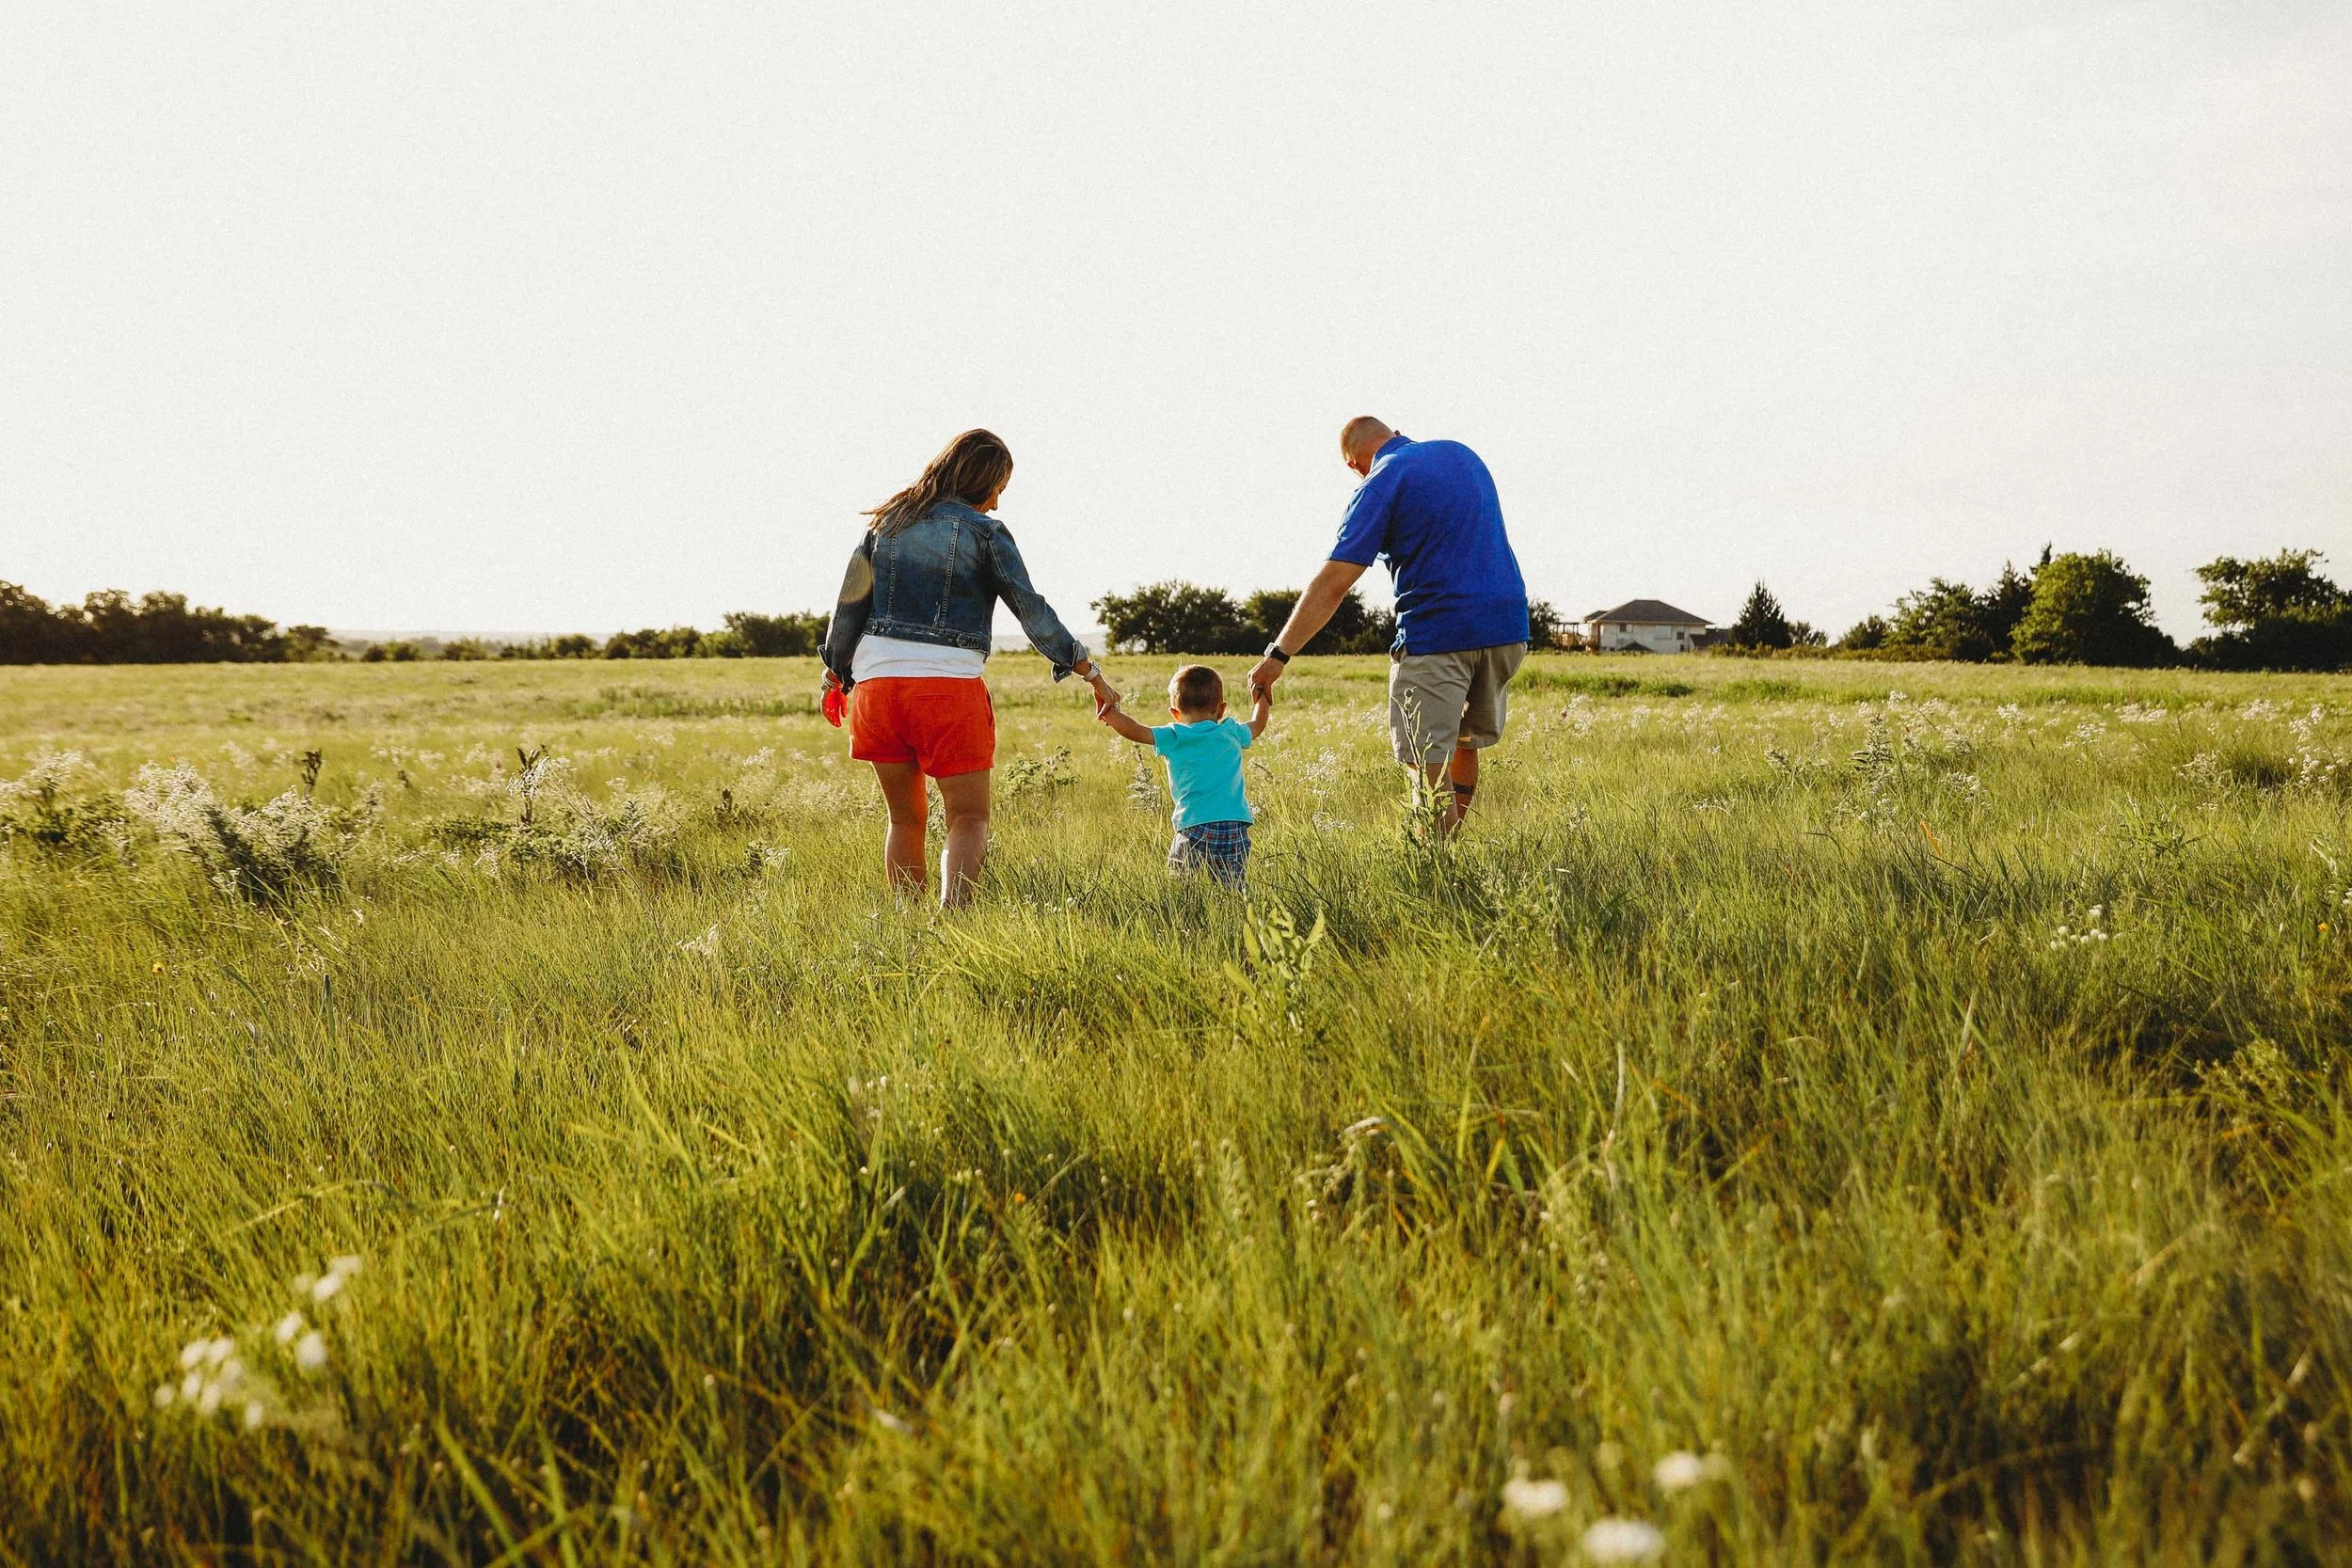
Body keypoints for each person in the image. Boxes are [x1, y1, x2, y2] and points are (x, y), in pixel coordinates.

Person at [820, 429, 1117, 907]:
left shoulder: (885, 524)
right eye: (998, 489)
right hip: (947, 691)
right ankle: (954, 922)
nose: (996, 503)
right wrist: (1088, 670)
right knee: (969, 819)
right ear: (980, 480)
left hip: (877, 692)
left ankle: (909, 926)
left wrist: (835, 676)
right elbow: (1030, 609)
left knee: (903, 819)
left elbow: (847, 607)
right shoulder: (985, 533)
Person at [1248, 417, 1528, 837]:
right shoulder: (1462, 454)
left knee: (1424, 761)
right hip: (1507, 628)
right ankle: (1452, 849)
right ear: (1395, 432)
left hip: (1438, 634)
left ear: (1353, 464)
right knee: (1462, 742)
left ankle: (1439, 868)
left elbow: (1334, 582)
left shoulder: (1380, 481)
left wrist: (1278, 654)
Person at [1095, 663, 1271, 888]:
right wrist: (1262, 696)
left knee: (1182, 886)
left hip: (1194, 824)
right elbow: (1258, 724)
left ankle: (1186, 909)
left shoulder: (1175, 735)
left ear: (1175, 713)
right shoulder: (1232, 731)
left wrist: (1109, 711)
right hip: (1234, 826)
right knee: (1232, 888)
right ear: (1221, 710)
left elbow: (1135, 730)